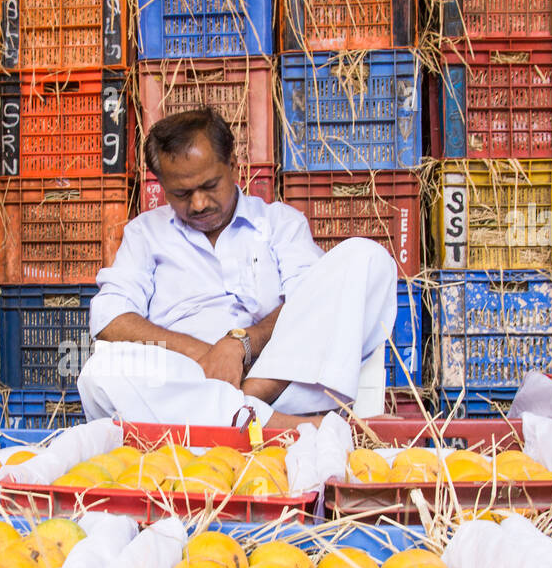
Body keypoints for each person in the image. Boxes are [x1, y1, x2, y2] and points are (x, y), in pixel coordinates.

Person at [77, 107, 398, 429]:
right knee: (99, 372)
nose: (199, 203)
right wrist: (208, 355)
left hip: (283, 378)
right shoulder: (144, 233)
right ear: (161, 185)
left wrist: (239, 344)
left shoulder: (280, 223)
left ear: (233, 165)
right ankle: (266, 421)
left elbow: (311, 302)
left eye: (210, 185)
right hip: (188, 381)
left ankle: (250, 401)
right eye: (182, 193)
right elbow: (110, 317)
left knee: (368, 256)